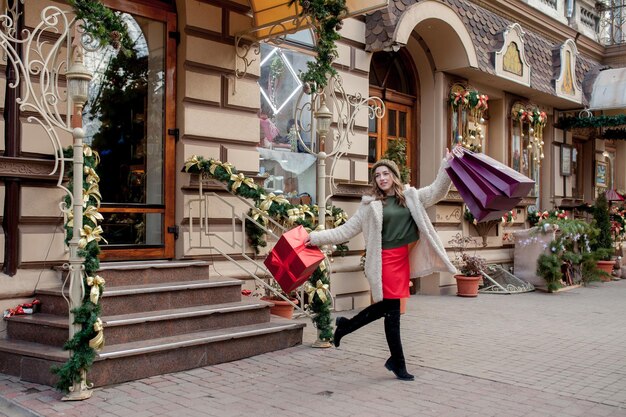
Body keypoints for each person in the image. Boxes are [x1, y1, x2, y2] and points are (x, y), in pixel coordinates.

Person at [305, 148, 460, 381]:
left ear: (394, 176)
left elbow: (438, 191)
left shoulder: (411, 197)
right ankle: (396, 362)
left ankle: (347, 327)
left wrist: (446, 164)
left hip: (402, 260)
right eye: (377, 175)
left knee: (388, 309)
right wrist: (316, 238)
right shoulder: (370, 206)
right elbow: (346, 230)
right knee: (393, 312)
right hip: (384, 260)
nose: (382, 178)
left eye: (386, 173)